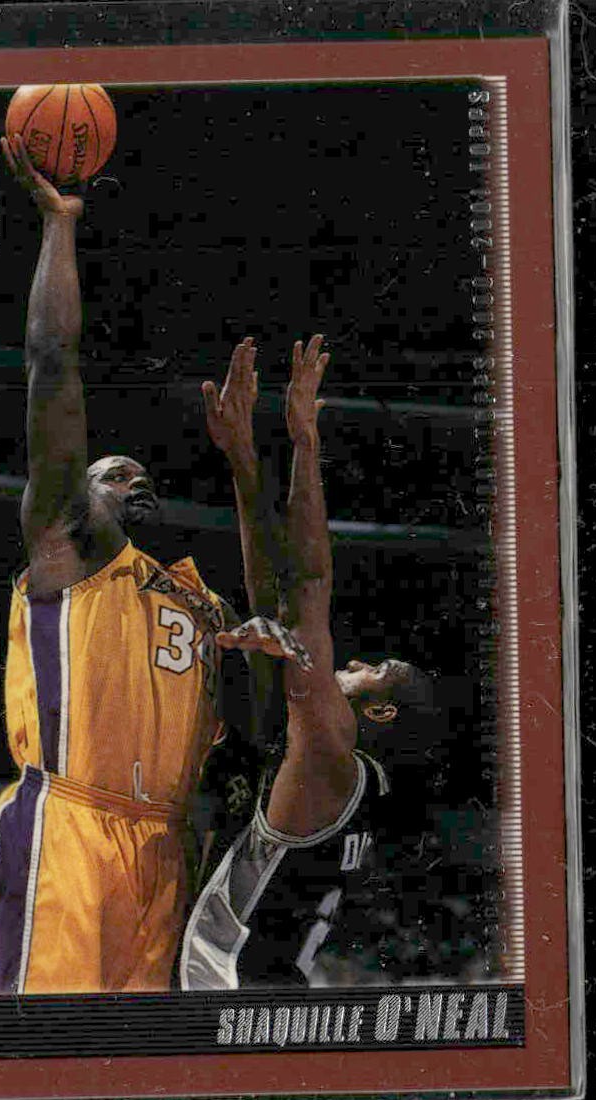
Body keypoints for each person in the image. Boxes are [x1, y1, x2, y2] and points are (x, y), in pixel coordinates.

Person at [0, 139, 303, 996]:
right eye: (113, 474)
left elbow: (276, 607)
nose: (135, 479)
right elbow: (52, 364)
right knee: (44, 1050)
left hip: (167, 848)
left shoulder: (197, 600)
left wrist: (244, 465)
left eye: (143, 475)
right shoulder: (70, 553)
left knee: (141, 1055)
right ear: (75, 497)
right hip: (71, 826)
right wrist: (59, 225)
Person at [181, 335, 437, 990]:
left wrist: (304, 443)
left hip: (233, 998)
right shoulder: (333, 768)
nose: (356, 658)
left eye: (374, 669)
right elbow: (273, 594)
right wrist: (242, 453)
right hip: (259, 993)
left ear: (380, 712)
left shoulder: (330, 758)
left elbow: (310, 590)